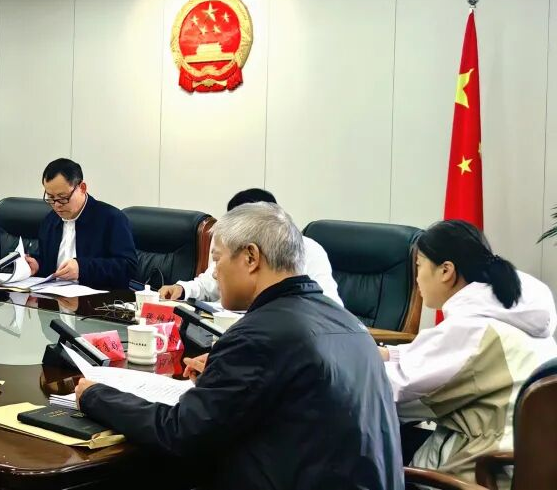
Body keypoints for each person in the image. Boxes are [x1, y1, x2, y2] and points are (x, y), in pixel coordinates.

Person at [75, 203, 403, 490]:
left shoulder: (261, 334)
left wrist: (95, 395)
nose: (214, 274)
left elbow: (181, 432)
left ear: (250, 257)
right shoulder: (349, 324)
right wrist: (223, 371)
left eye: (217, 259)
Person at [382, 220, 557, 481]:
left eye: (418, 266)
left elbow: (393, 390)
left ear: (446, 271)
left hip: (478, 472)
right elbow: (442, 362)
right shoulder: (515, 316)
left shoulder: (471, 330)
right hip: (526, 467)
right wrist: (389, 353)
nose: (416, 279)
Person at [159, 188, 342, 306]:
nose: (216, 272)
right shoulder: (233, 247)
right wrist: (184, 289)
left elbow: (329, 305)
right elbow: (211, 281)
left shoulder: (309, 249)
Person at [25, 158, 136, 289]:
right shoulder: (50, 220)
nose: (57, 205)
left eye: (63, 197)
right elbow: (49, 263)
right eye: (51, 197)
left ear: (82, 188)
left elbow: (128, 267)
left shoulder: (111, 219)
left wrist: (82, 268)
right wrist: (37, 264)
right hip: (53, 296)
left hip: (96, 298)